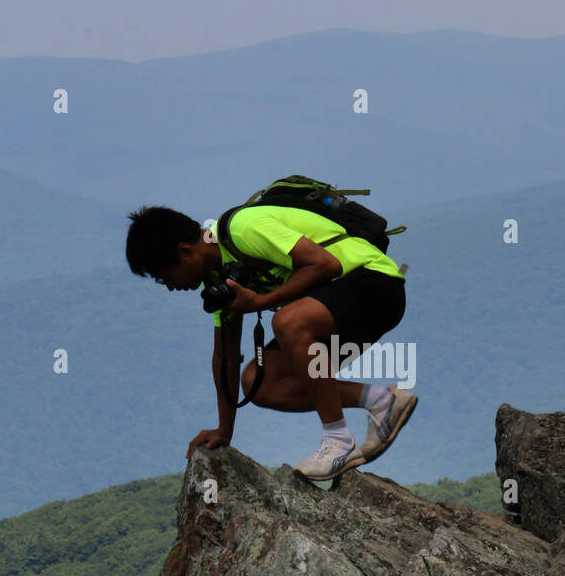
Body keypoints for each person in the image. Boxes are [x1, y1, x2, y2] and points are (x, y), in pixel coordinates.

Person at [125, 200, 417, 481]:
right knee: (258, 384)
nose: (170, 286)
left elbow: (324, 264)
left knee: (287, 321)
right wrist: (224, 431)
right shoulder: (217, 280)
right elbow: (225, 357)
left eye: (164, 276)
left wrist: (262, 301)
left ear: (185, 251)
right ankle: (383, 402)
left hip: (376, 285)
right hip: (339, 311)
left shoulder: (244, 229)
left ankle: (338, 441)